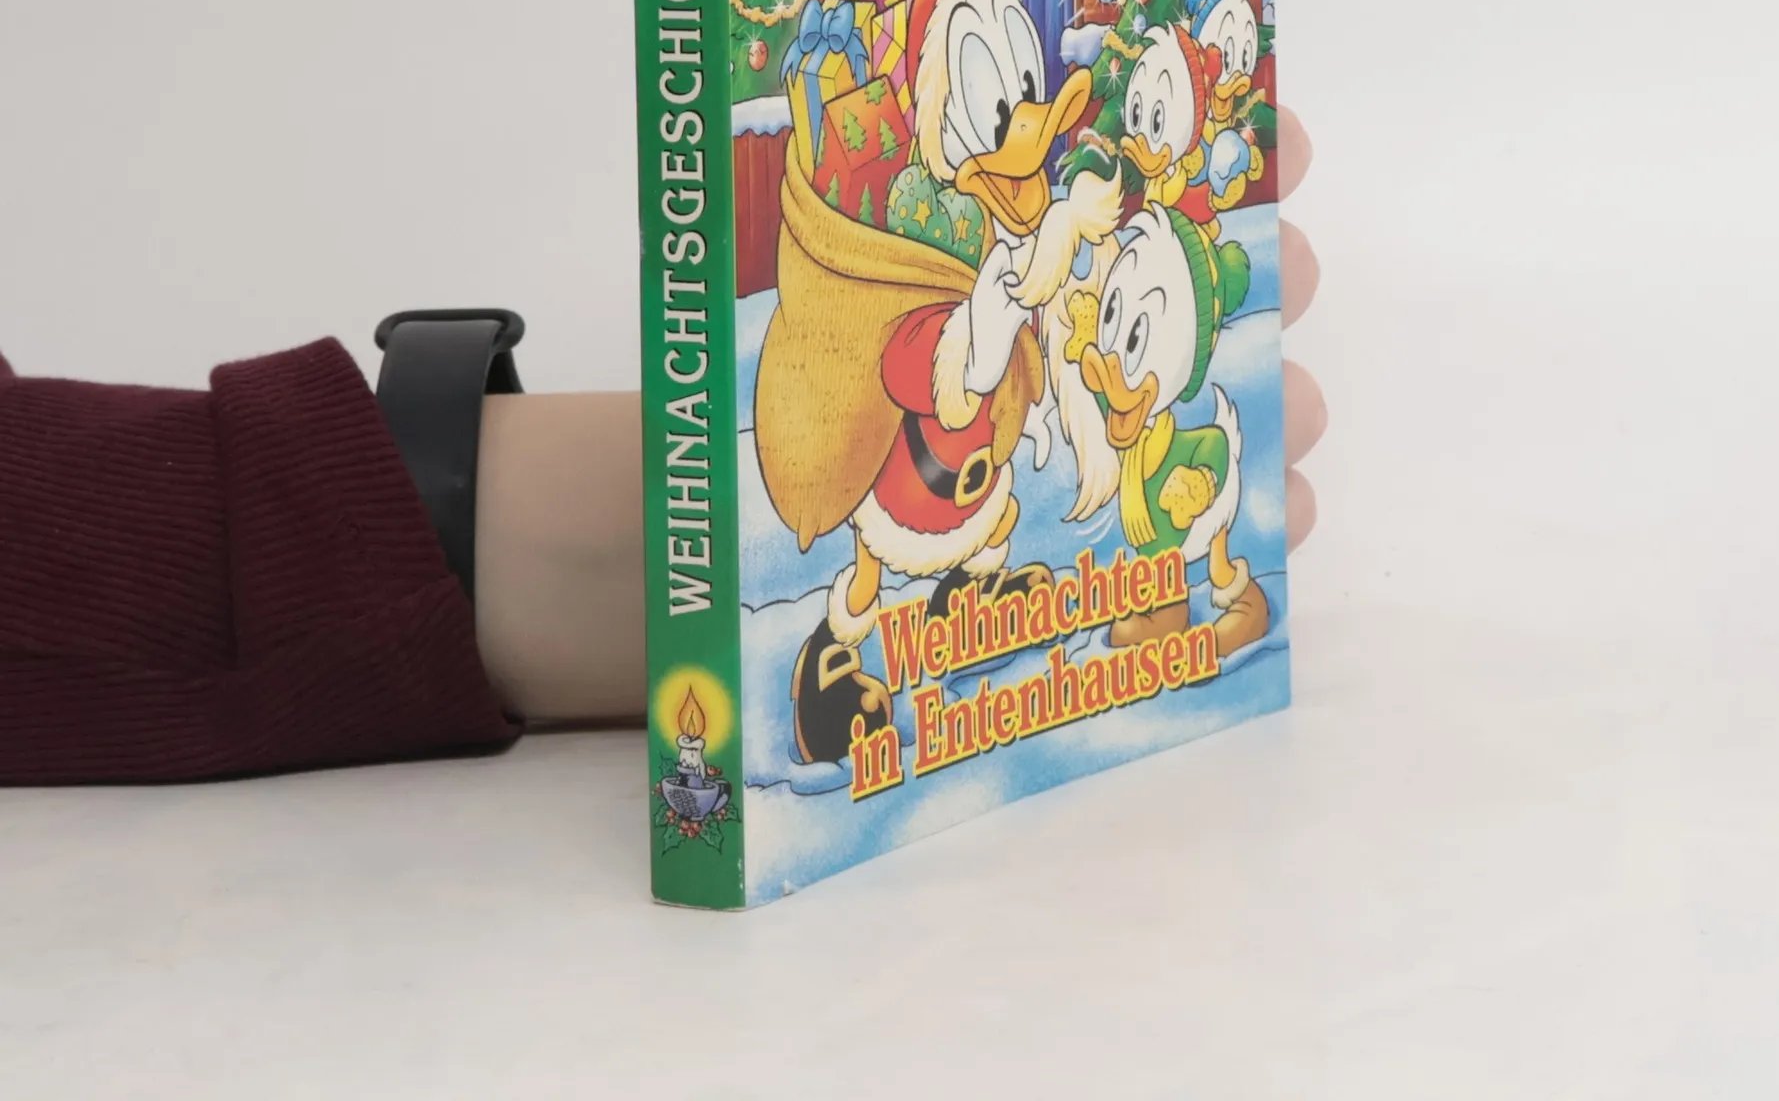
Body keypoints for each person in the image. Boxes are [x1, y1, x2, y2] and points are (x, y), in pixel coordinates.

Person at [0, 112, 1324, 786]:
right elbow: (972, 338)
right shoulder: (947, 315)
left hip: (960, 536)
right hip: (888, 512)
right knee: (873, 578)